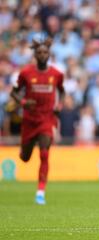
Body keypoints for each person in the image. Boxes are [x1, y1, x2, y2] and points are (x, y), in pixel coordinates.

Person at [10, 38, 65, 205]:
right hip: (29, 120)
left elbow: (62, 92)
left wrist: (59, 104)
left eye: (45, 52)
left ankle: (40, 192)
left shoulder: (57, 74)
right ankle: (25, 150)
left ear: (49, 54)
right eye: (39, 52)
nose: (42, 55)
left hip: (47, 119)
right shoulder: (26, 73)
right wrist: (24, 102)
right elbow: (14, 93)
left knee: (44, 153)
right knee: (25, 157)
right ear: (35, 54)